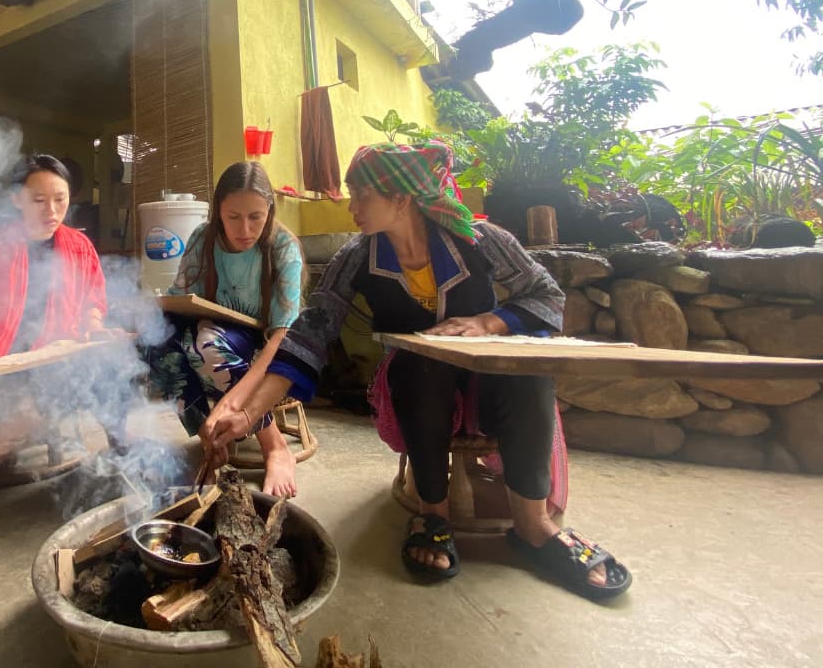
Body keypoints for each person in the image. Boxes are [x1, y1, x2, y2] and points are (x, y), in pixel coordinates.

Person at [199, 141, 632, 600]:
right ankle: (433, 513)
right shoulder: (358, 257)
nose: (352, 207)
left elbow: (546, 295)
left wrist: (488, 322)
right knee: (417, 368)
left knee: (528, 374)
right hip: (416, 387)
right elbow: (311, 333)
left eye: (362, 195)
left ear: (401, 199)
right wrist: (249, 416)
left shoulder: (478, 241)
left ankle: (533, 525)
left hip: (490, 385)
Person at [0, 155, 124, 534]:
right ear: (17, 199)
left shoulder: (78, 247)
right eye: (39, 200)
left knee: (109, 367)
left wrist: (95, 328)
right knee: (36, 391)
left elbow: (93, 302)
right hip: (1, 366)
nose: (52, 210)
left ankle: (125, 463)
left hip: (57, 362)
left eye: (60, 199)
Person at [147, 162, 305, 497]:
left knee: (206, 344)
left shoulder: (282, 248)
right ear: (218, 210)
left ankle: (274, 445)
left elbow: (283, 337)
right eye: (233, 217)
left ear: (270, 211)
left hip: (262, 342)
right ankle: (212, 440)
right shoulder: (203, 238)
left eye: (255, 217)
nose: (245, 229)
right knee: (153, 338)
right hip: (208, 326)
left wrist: (235, 404)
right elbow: (179, 297)